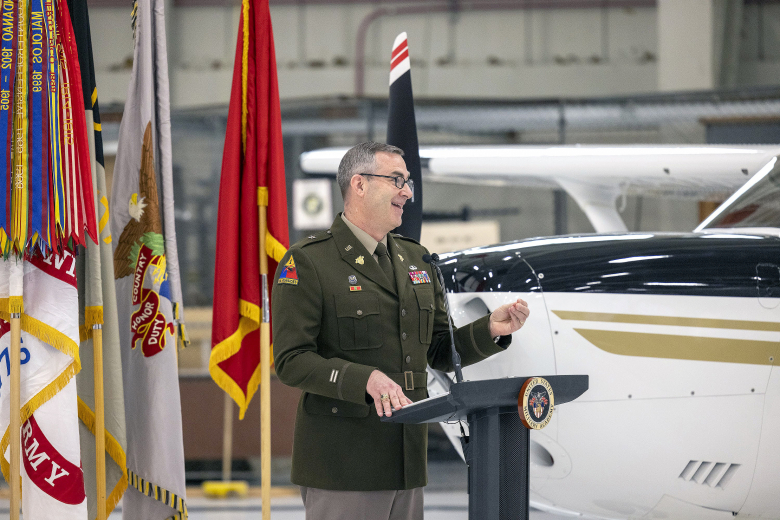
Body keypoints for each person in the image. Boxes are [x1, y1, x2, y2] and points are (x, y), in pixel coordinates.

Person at [272, 141, 530, 520]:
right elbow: (291, 361)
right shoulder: (309, 262)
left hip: (407, 459)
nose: (407, 192)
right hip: (343, 464)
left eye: (407, 181)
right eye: (396, 180)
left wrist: (489, 329)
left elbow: (440, 349)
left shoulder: (416, 258)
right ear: (358, 184)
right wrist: (366, 379)